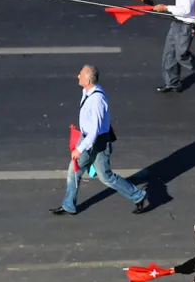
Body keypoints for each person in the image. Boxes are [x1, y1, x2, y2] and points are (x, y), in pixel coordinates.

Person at [49, 66, 147, 216]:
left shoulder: (97, 100)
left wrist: (79, 149)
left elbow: (94, 131)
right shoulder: (87, 92)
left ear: (87, 80)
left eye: (80, 75)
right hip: (87, 138)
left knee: (106, 177)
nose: (77, 76)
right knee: (73, 170)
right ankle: (68, 205)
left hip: (97, 143)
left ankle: (138, 195)